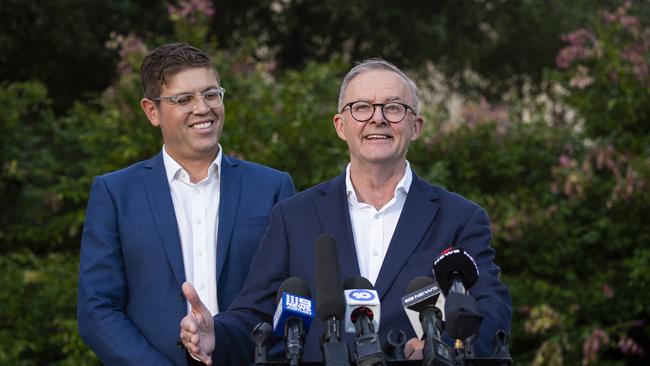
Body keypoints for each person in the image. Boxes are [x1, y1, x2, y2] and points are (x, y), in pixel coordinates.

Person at [179, 58, 512, 364]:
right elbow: (257, 314)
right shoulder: (294, 216)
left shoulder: (459, 218)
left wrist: (442, 344)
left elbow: (491, 307)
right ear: (340, 125)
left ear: (417, 126)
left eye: (394, 108)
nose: (377, 118)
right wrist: (216, 335)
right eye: (362, 107)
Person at [77, 43, 295, 366]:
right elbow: (97, 310)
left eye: (211, 94)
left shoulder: (272, 187)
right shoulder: (115, 193)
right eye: (184, 99)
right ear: (152, 111)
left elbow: (290, 298)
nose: (203, 108)